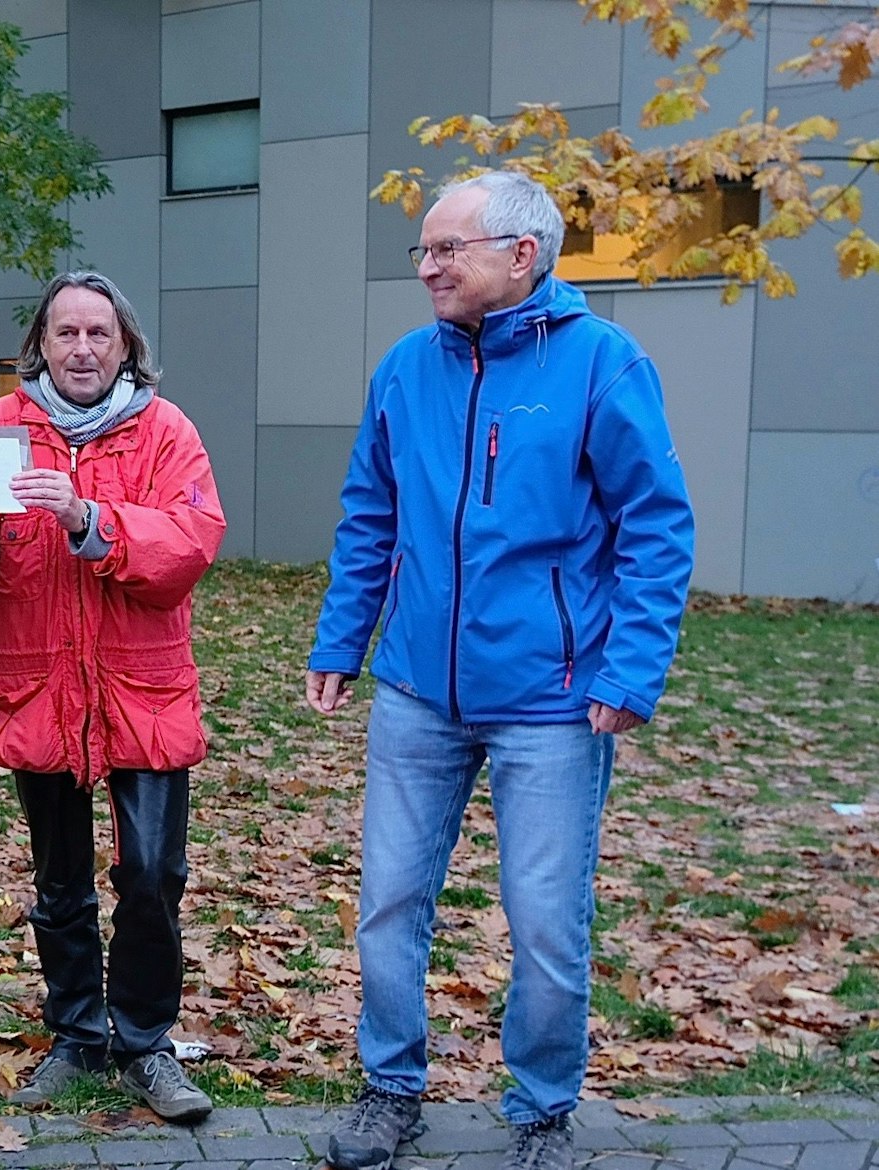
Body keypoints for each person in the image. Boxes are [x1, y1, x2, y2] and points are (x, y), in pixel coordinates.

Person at [305, 172, 694, 1170]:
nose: (426, 267)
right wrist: (342, 639)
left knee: (546, 923)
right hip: (417, 694)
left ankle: (541, 1110)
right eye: (421, 250)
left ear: (521, 255)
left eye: (447, 249)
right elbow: (369, 514)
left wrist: (628, 672)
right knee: (389, 901)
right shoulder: (404, 368)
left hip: (555, 703)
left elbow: (655, 526)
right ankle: (389, 1088)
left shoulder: (604, 363)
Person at [0, 271, 227, 1124]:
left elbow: (189, 546)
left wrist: (87, 520)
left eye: (97, 335)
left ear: (125, 346)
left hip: (141, 691)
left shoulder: (164, 432)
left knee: (151, 876)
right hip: (38, 686)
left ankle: (144, 1041)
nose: (80, 349)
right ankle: (76, 1034)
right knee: (59, 882)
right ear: (39, 345)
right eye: (64, 334)